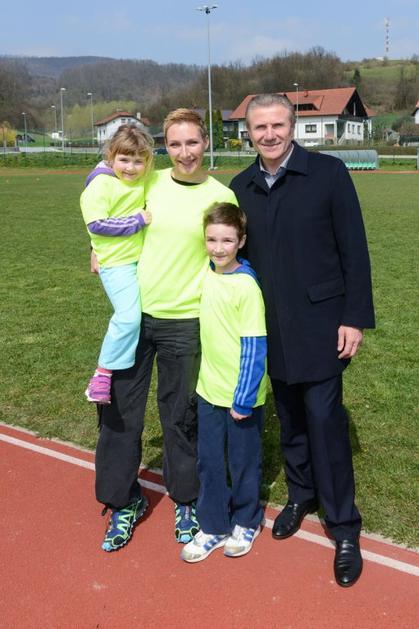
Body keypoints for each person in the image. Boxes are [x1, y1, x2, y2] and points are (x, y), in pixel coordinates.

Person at [230, 93, 375, 587]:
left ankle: (344, 526)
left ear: (292, 126)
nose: (269, 134)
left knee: (324, 422)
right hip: (269, 326)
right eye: (260, 127)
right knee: (289, 418)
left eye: (277, 125)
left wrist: (354, 318)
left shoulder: (328, 173)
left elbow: (354, 250)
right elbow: (224, 251)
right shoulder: (240, 186)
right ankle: (300, 495)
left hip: (321, 324)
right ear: (248, 132)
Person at [93, 109, 237, 552]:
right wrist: (95, 249)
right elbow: (104, 207)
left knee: (180, 417)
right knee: (120, 413)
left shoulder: (221, 194)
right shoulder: (147, 181)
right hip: (137, 317)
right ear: (164, 147)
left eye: (192, 142)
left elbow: (229, 250)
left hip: (186, 322)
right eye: (175, 144)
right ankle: (123, 502)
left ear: (205, 143)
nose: (184, 152)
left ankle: (186, 499)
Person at [181, 203, 267, 563]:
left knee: (243, 462)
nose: (218, 248)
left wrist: (243, 398)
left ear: (241, 241)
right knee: (210, 462)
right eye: (212, 240)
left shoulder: (246, 286)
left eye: (227, 241)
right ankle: (214, 525)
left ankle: (246, 520)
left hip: (241, 396)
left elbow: (254, 345)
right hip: (209, 391)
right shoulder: (207, 273)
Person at [81, 124, 153, 405]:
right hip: (116, 264)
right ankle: (102, 374)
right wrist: (137, 221)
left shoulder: (141, 180)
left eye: (138, 161)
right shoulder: (100, 184)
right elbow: (97, 224)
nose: (131, 168)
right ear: (111, 156)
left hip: (140, 261)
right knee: (128, 317)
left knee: (142, 318)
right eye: (124, 160)